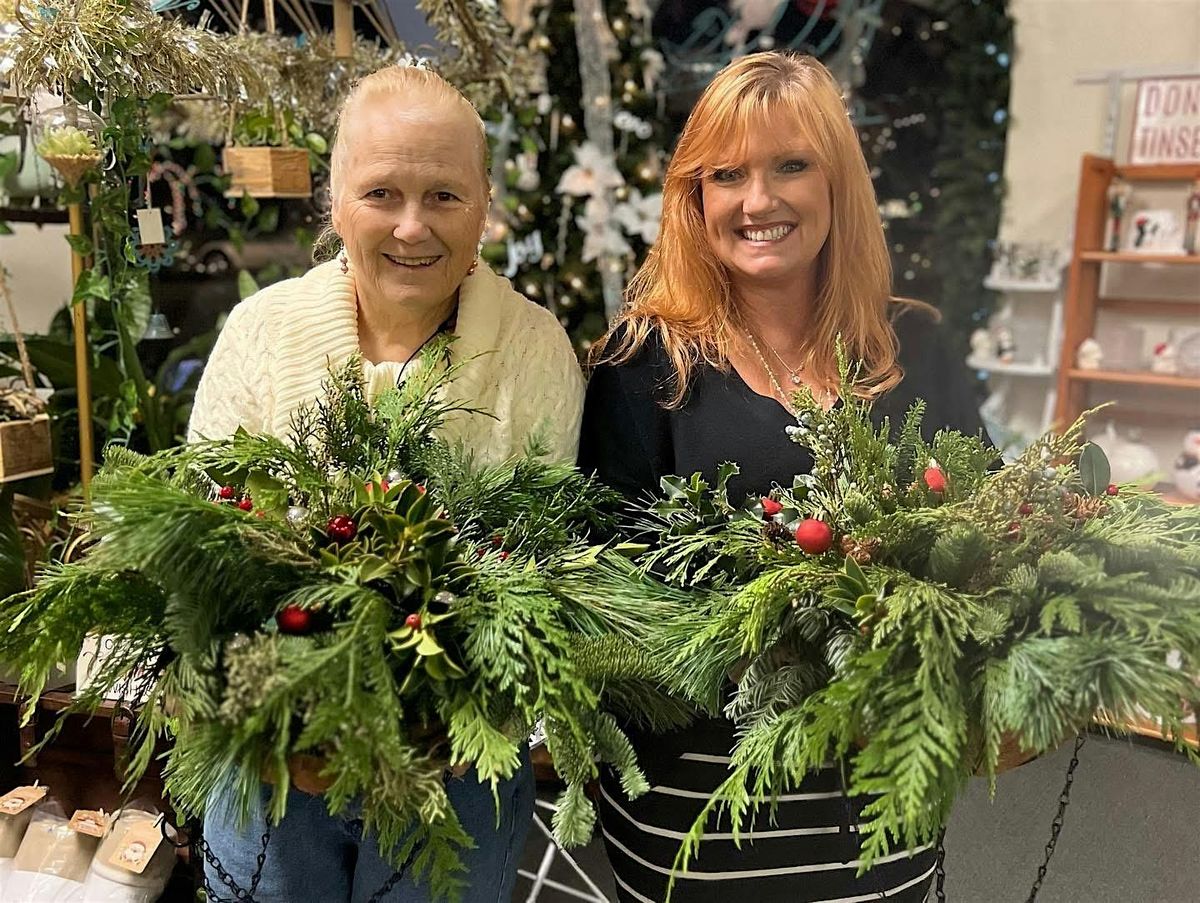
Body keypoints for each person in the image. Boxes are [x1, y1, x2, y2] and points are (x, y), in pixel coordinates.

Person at [580, 52, 989, 902]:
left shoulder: (916, 351)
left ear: (837, 182)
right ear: (695, 200)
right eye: (726, 175)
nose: (757, 201)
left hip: (879, 797)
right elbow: (607, 586)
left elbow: (984, 539)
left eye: (790, 165)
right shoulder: (642, 364)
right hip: (696, 810)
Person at [188, 63, 584, 902]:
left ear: (484, 208)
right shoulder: (261, 333)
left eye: (444, 195)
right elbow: (196, 546)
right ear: (335, 204)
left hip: (456, 773)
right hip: (272, 761)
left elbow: (543, 567)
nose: (412, 227)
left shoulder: (534, 348)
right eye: (381, 193)